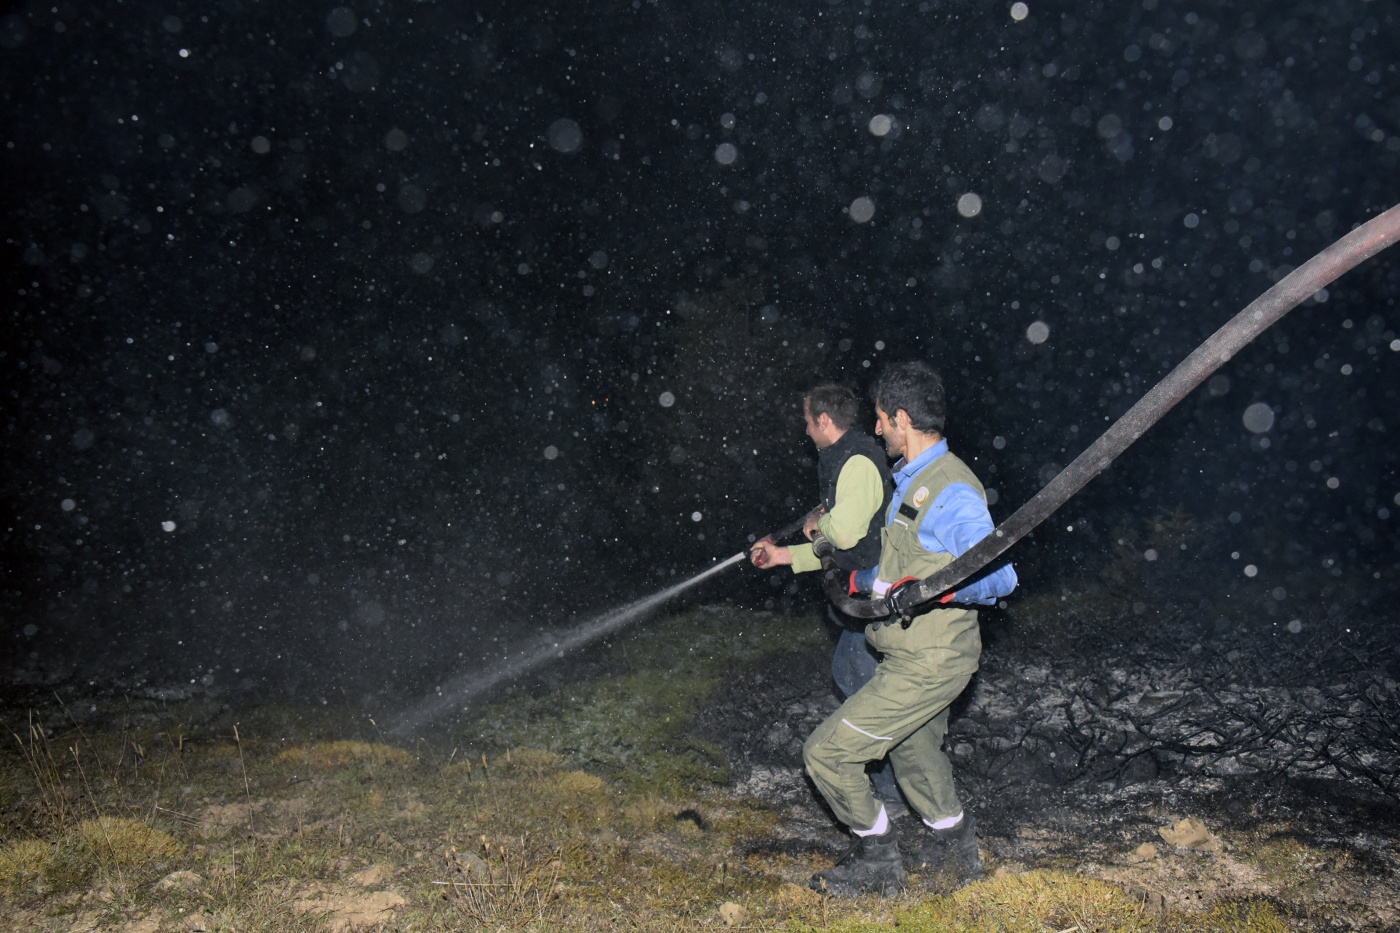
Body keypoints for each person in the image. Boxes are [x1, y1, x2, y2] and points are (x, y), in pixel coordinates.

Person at [803, 360, 1017, 898]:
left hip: (932, 659)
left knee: (826, 754)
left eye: (880, 421)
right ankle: (959, 852)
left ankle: (878, 863)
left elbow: (1000, 577)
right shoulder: (912, 482)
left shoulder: (949, 489)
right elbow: (904, 566)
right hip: (909, 653)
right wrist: (857, 581)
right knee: (915, 755)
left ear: (901, 419)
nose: (876, 431)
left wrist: (938, 590)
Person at [748, 385, 901, 808]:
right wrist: (781, 552)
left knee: (861, 680)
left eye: (807, 420)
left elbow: (845, 534)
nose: (805, 427)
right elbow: (832, 540)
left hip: (877, 593)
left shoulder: (856, 462)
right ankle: (893, 777)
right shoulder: (843, 458)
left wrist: (820, 526)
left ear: (824, 421)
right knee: (855, 675)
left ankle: (893, 785)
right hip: (863, 591)